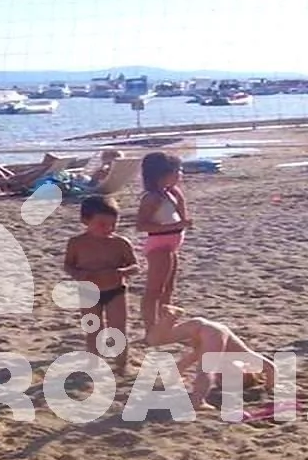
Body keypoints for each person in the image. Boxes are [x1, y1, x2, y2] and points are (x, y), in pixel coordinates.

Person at [63, 196, 138, 371]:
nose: (109, 228)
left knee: (118, 329)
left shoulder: (120, 243)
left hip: (115, 290)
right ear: (85, 221)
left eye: (113, 224)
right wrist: (78, 274)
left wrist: (121, 272)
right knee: (93, 329)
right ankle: (94, 364)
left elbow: (135, 266)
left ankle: (121, 365)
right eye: (102, 224)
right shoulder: (77, 243)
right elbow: (68, 265)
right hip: (88, 291)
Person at [153, 305, 275, 409]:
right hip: (215, 331)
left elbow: (185, 362)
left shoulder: (212, 351)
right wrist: (268, 387)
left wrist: (169, 380)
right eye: (234, 375)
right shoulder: (243, 355)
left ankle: (170, 317)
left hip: (198, 325)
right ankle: (198, 401)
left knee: (156, 340)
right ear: (247, 368)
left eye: (221, 379)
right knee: (206, 369)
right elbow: (271, 368)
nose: (224, 374)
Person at [136, 152, 189, 342]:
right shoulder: (152, 198)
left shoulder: (170, 193)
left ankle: (164, 327)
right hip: (160, 245)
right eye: (177, 171)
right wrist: (175, 226)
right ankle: (150, 329)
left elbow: (182, 216)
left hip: (172, 245)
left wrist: (178, 196)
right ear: (162, 174)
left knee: (168, 289)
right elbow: (141, 225)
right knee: (154, 291)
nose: (180, 174)